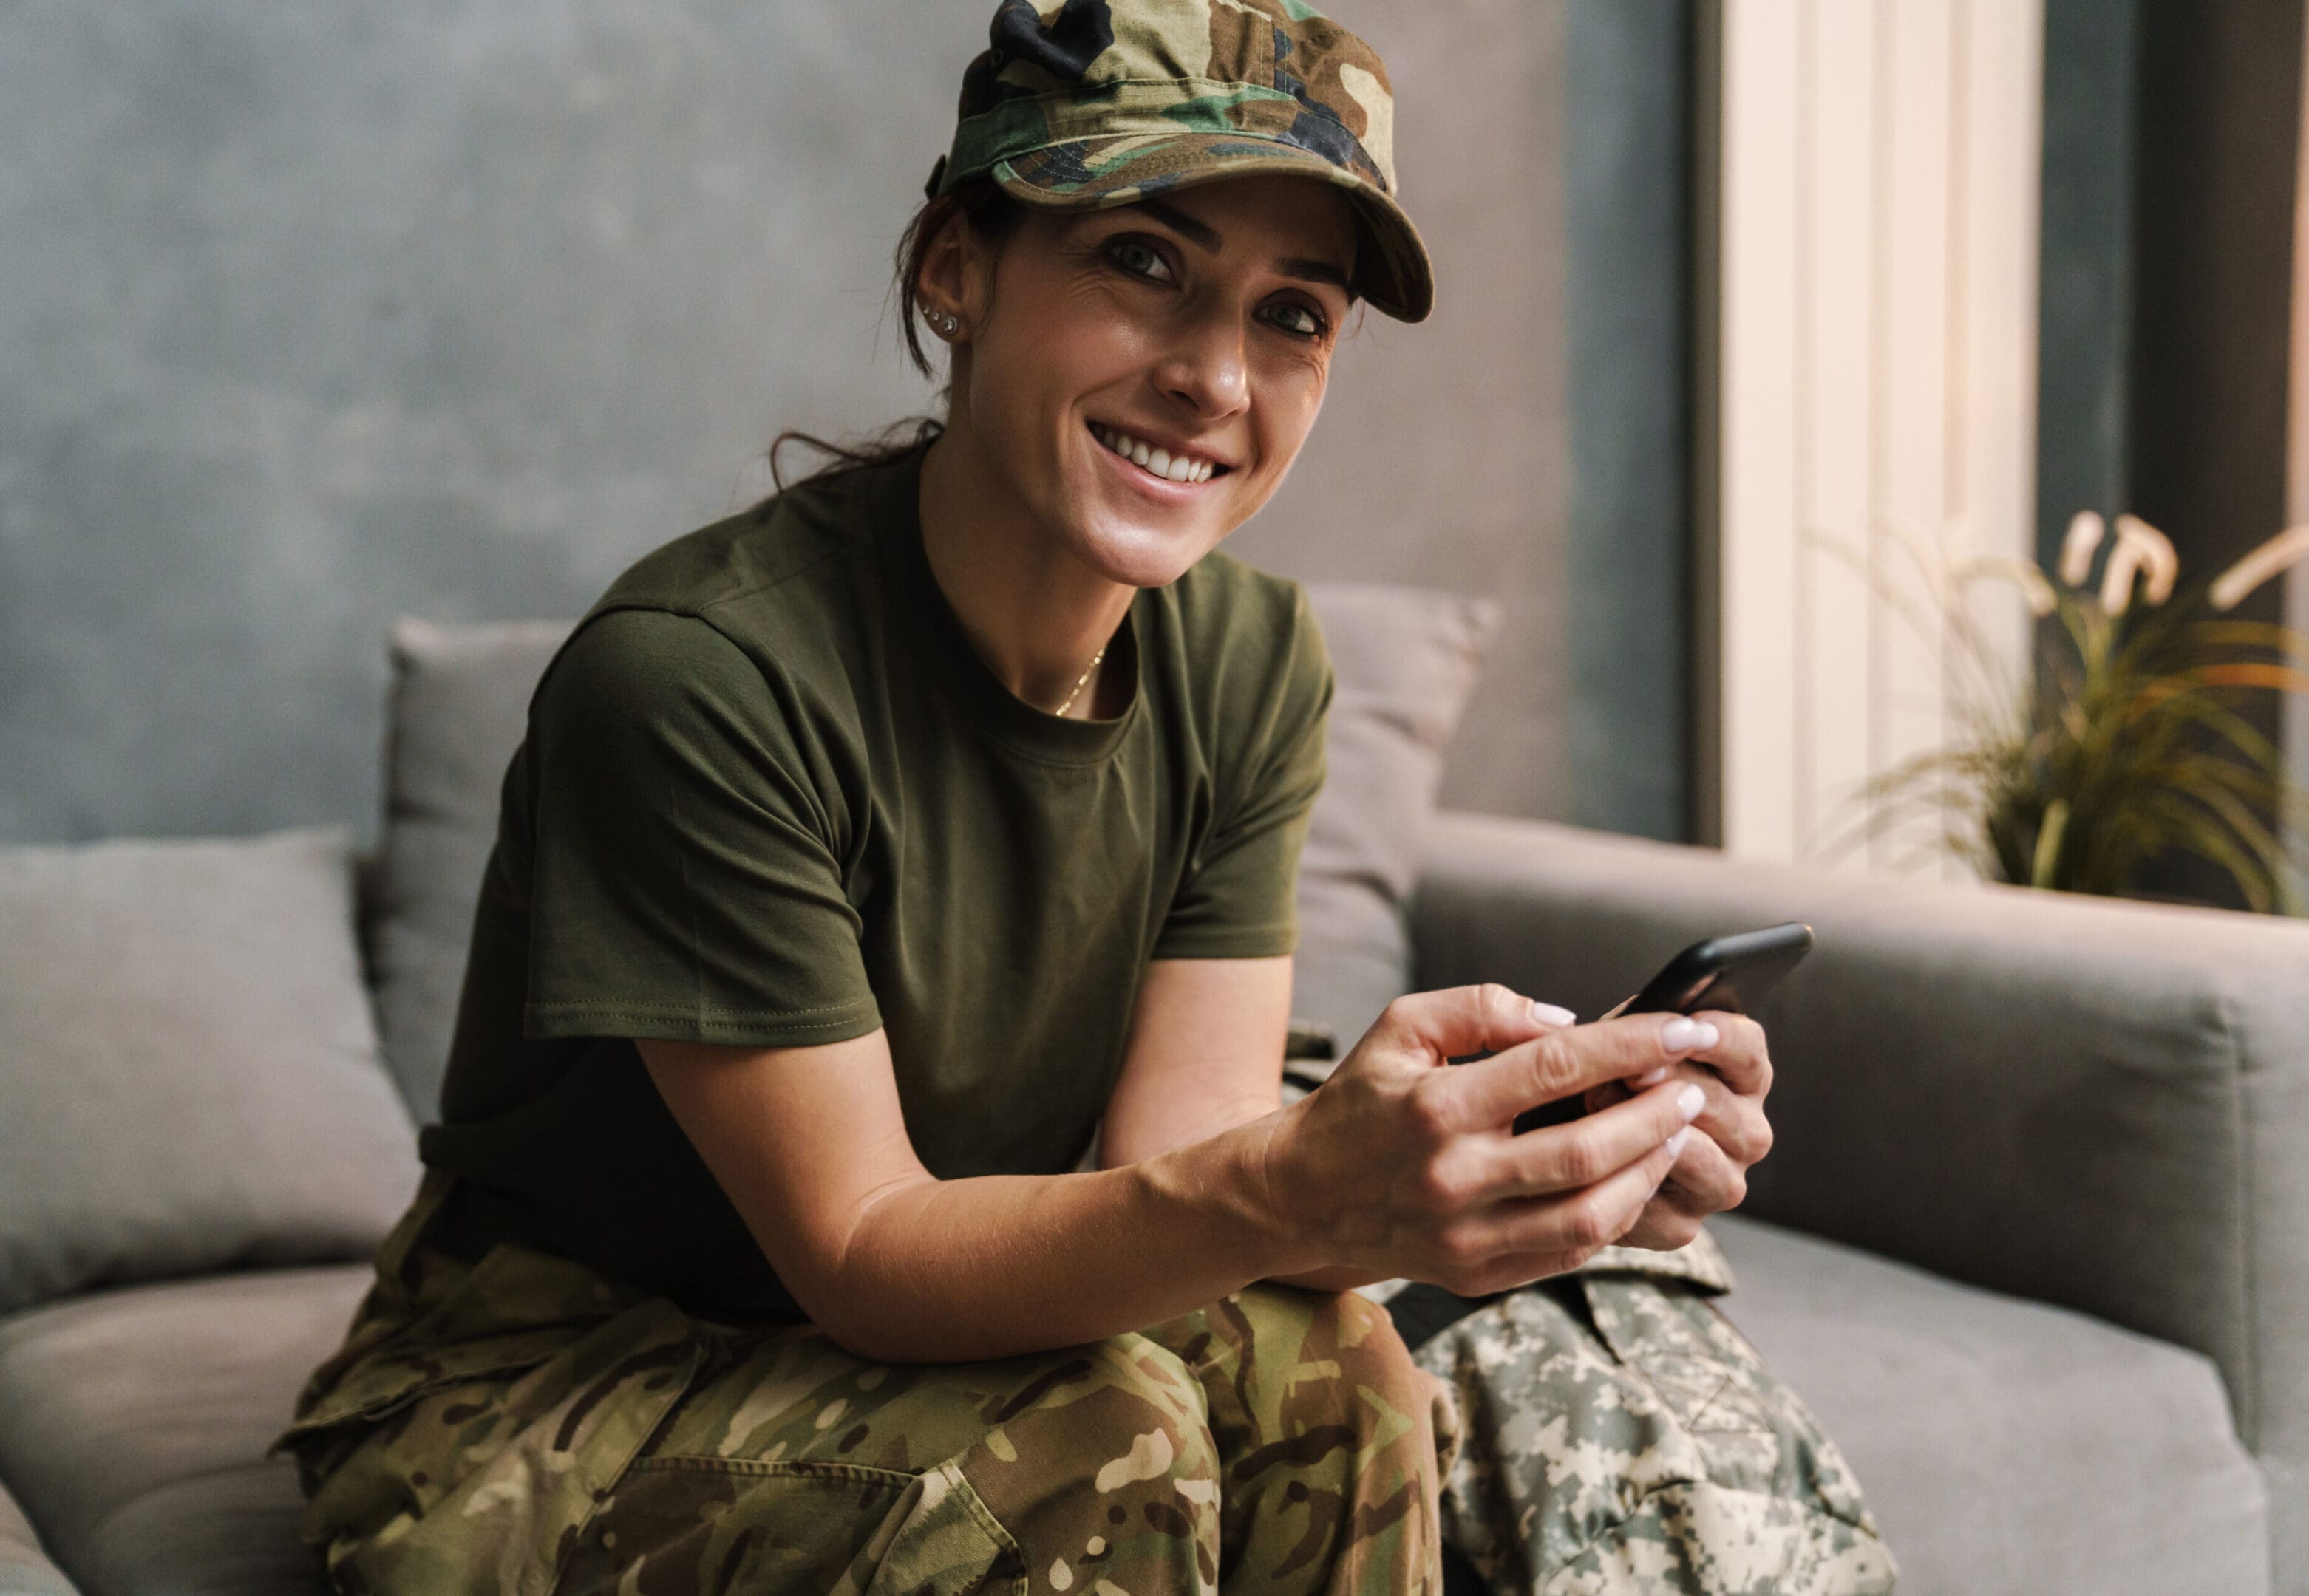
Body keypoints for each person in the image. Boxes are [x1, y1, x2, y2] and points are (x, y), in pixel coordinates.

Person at [271, 3, 1892, 1592]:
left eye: (1292, 316)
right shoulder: (700, 681)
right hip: (550, 1382)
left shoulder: (1252, 661)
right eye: (1142, 263)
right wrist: (1306, 1180)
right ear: (956, 267)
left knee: (1332, 1371)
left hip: (951, 1307)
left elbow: (1174, 1163)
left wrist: (1477, 1188)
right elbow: (860, 1259)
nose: (1213, 376)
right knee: (1090, 1433)